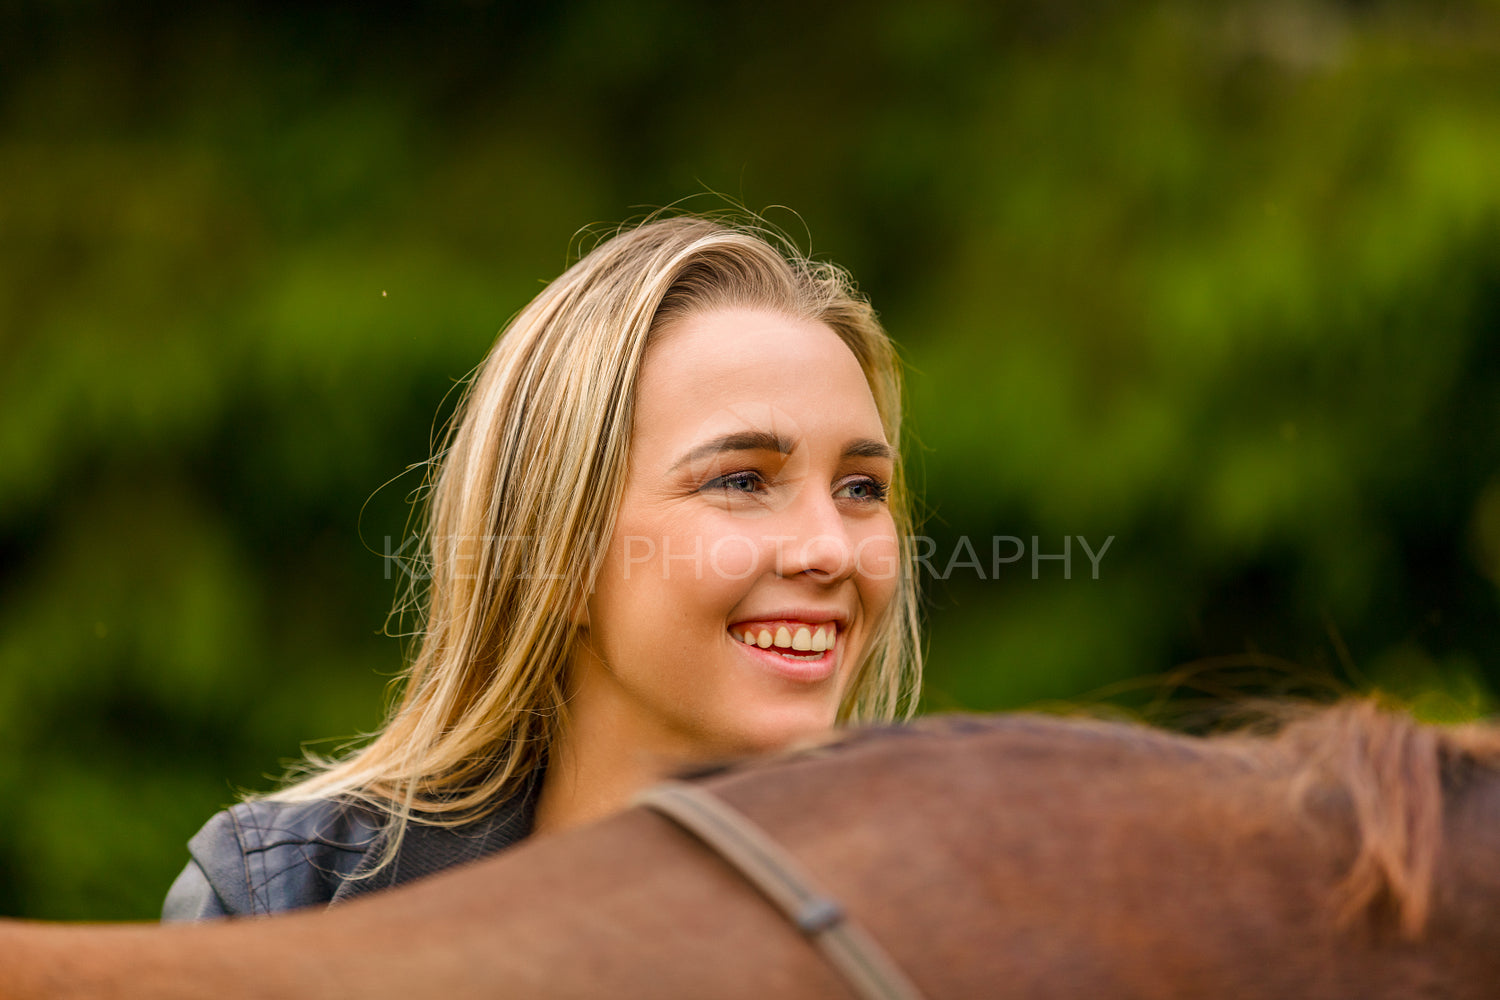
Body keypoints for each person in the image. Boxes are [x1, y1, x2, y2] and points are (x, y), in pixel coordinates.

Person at [162, 213, 924, 919]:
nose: (830, 548)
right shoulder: (292, 901)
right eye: (742, 481)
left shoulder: (953, 917)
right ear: (553, 547)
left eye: (861, 489)